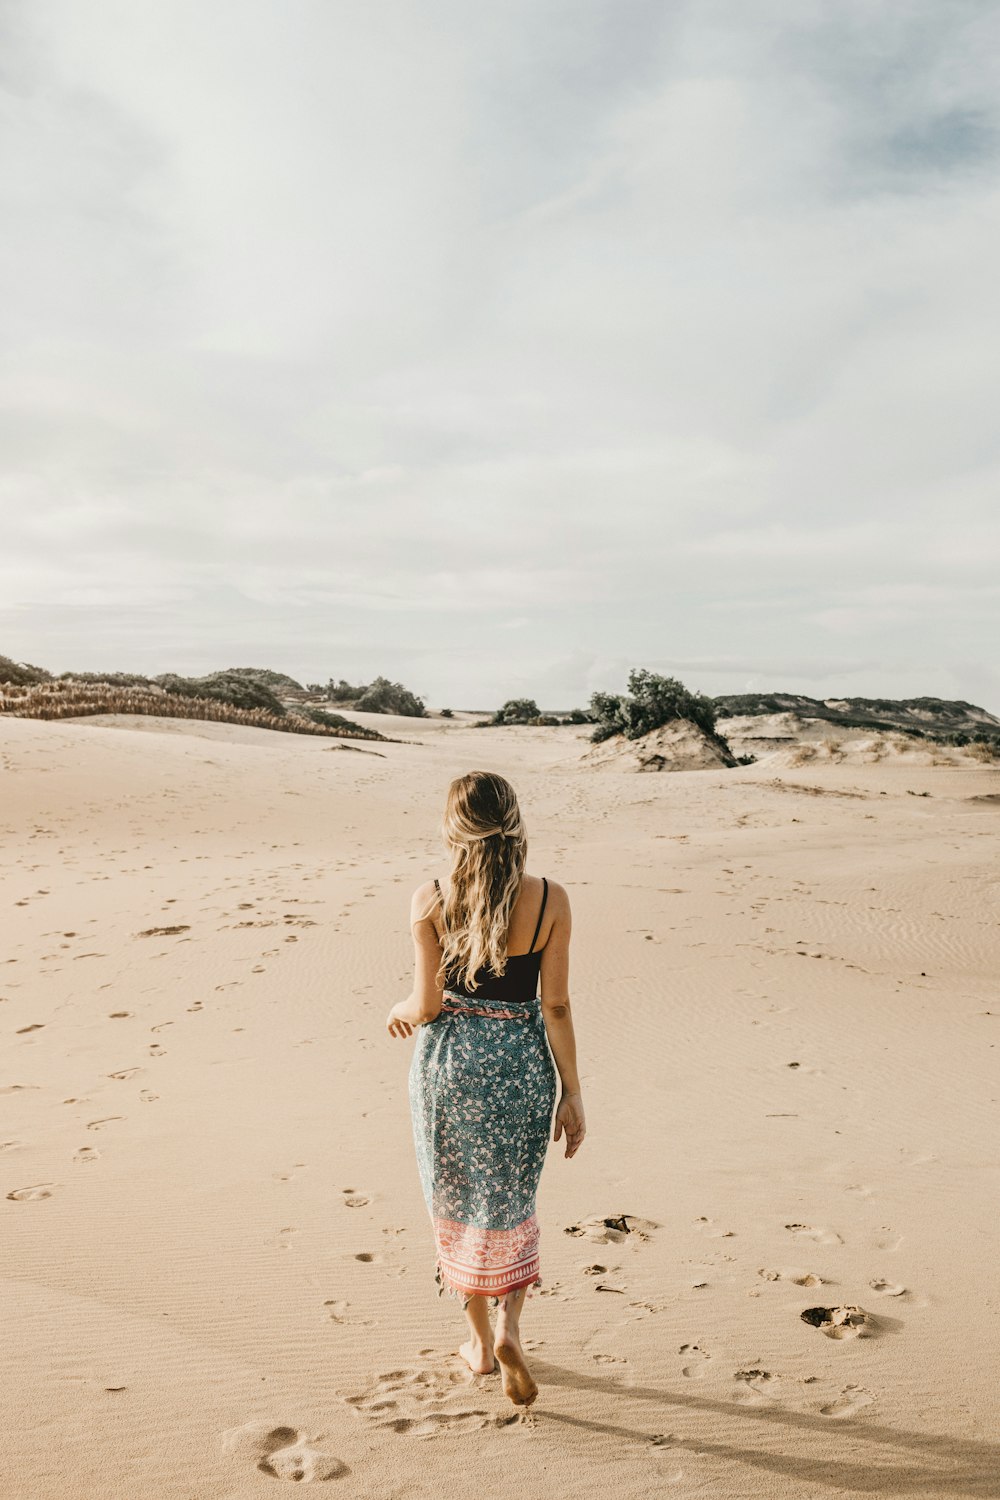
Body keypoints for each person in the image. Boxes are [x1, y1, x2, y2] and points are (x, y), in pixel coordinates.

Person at [386, 769, 585, 1407]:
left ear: (452, 829)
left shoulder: (431, 898)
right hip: (521, 1069)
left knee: (457, 1201)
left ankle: (476, 1342)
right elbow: (555, 1006)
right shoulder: (551, 899)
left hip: (448, 1070)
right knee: (509, 1204)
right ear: (517, 821)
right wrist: (572, 1092)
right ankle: (509, 1327)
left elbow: (426, 1003)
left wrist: (399, 1009)